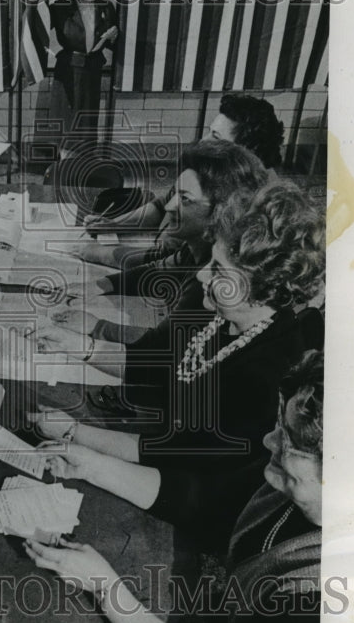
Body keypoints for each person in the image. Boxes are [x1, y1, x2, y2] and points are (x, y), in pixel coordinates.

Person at [25, 349, 324, 623]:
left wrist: (105, 586)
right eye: (280, 424)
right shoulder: (292, 486)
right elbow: (204, 502)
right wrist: (90, 465)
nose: (269, 440)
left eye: (287, 441)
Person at [31, 181, 325, 476]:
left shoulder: (270, 373)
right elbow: (157, 364)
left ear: (262, 288)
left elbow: (180, 454)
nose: (201, 274)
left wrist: (74, 432)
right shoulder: (219, 311)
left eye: (219, 269)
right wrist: (74, 345)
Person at [52, 140, 269, 345]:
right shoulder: (196, 246)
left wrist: (96, 327)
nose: (169, 206)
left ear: (222, 211)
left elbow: (165, 343)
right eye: (174, 194)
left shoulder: (214, 274)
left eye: (185, 199)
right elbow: (158, 271)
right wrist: (102, 285)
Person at [81, 91, 285, 245]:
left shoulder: (256, 203)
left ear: (244, 151)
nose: (202, 141)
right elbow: (163, 205)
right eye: (209, 132)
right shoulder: (219, 169)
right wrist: (115, 224)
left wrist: (102, 254)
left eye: (215, 137)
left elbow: (172, 258)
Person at [47, 0, 118, 153]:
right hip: (68, 73)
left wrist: (114, 37)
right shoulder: (60, 7)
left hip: (91, 76)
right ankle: (63, 170)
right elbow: (38, 30)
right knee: (67, 131)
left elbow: (114, 45)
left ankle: (82, 172)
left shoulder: (106, 7)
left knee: (86, 131)